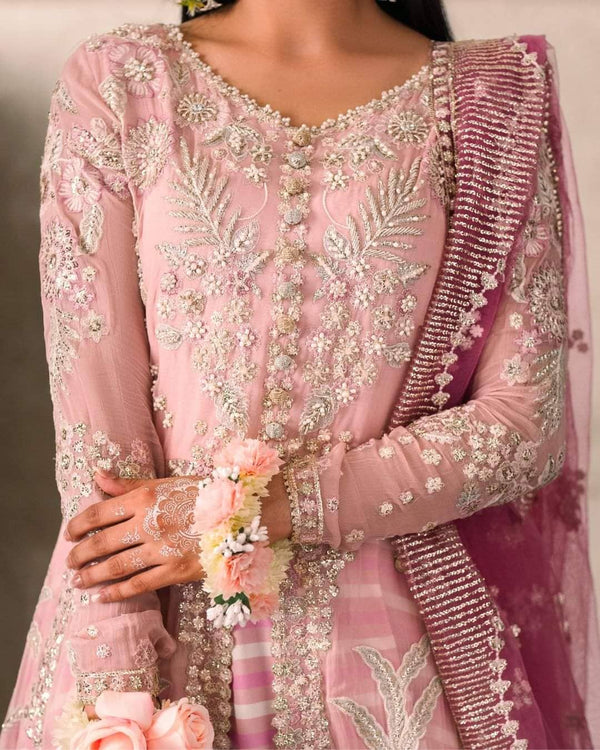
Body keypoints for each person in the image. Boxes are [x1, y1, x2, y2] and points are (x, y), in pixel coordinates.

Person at [2, 0, 599, 747]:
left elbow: (522, 427)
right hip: (161, 641)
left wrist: (259, 510)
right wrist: (120, 700)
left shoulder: (489, 100)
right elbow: (98, 449)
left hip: (394, 663)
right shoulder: (122, 81)